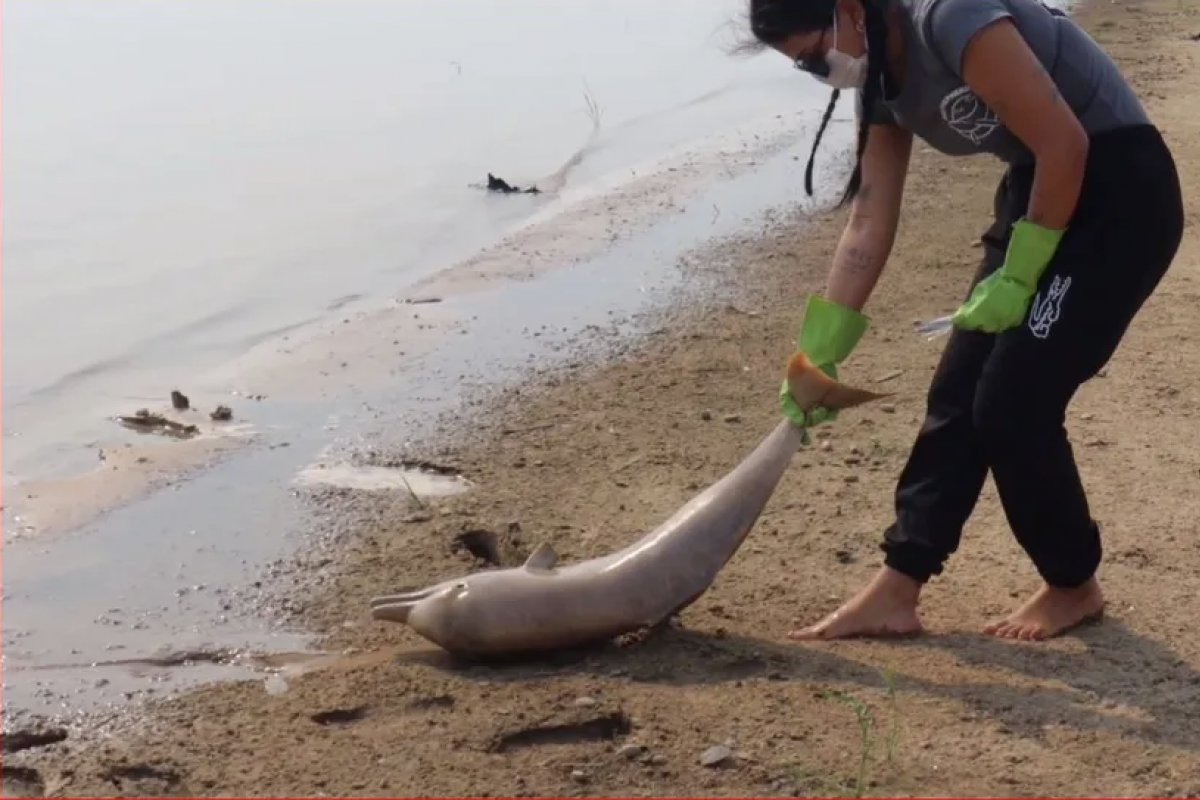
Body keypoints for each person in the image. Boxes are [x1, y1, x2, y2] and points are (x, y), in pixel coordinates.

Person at [755, 0, 1185, 640]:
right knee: (957, 393)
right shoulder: (876, 76)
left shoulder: (950, 16)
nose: (822, 72)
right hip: (1039, 189)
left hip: (1119, 191)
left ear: (848, 8)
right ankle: (899, 586)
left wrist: (1019, 275)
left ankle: (1073, 585)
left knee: (1013, 403)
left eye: (816, 54)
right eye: (804, 69)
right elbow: (869, 219)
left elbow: (1066, 141)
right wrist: (822, 348)